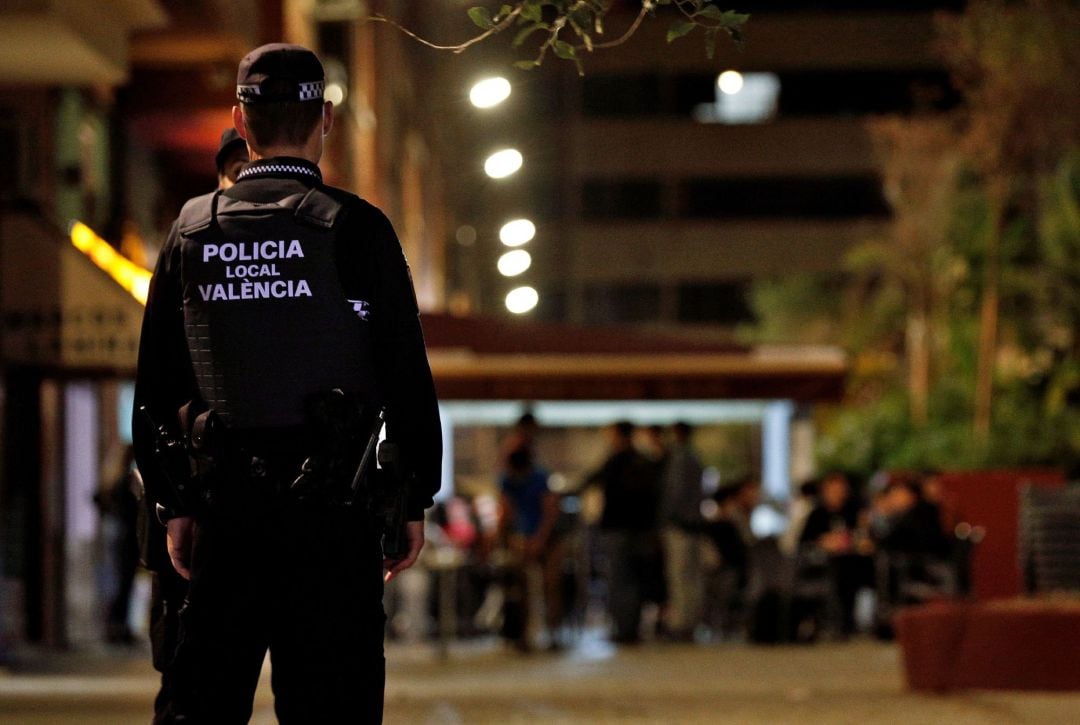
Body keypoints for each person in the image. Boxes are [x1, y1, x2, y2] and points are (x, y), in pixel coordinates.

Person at [132, 43, 442, 724]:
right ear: (325, 118)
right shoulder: (358, 229)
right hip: (333, 515)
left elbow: (156, 386)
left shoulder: (190, 231)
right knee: (332, 706)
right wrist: (411, 494)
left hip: (223, 507)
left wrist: (173, 502)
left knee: (201, 705)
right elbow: (404, 373)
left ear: (240, 118)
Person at [138, 128, 250, 718]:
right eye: (234, 171)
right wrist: (170, 498)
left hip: (269, 509)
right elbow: (156, 385)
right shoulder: (187, 243)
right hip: (197, 501)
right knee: (187, 684)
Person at [586, 421, 662, 644]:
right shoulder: (644, 461)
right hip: (640, 529)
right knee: (634, 579)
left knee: (619, 578)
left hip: (617, 528)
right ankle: (631, 627)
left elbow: (592, 480)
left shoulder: (617, 461)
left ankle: (623, 629)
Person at [658, 422, 705, 641]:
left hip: (680, 524)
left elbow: (675, 493)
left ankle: (682, 623)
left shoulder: (679, 458)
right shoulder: (694, 458)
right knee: (692, 576)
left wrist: (666, 518)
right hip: (693, 523)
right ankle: (691, 622)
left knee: (680, 576)